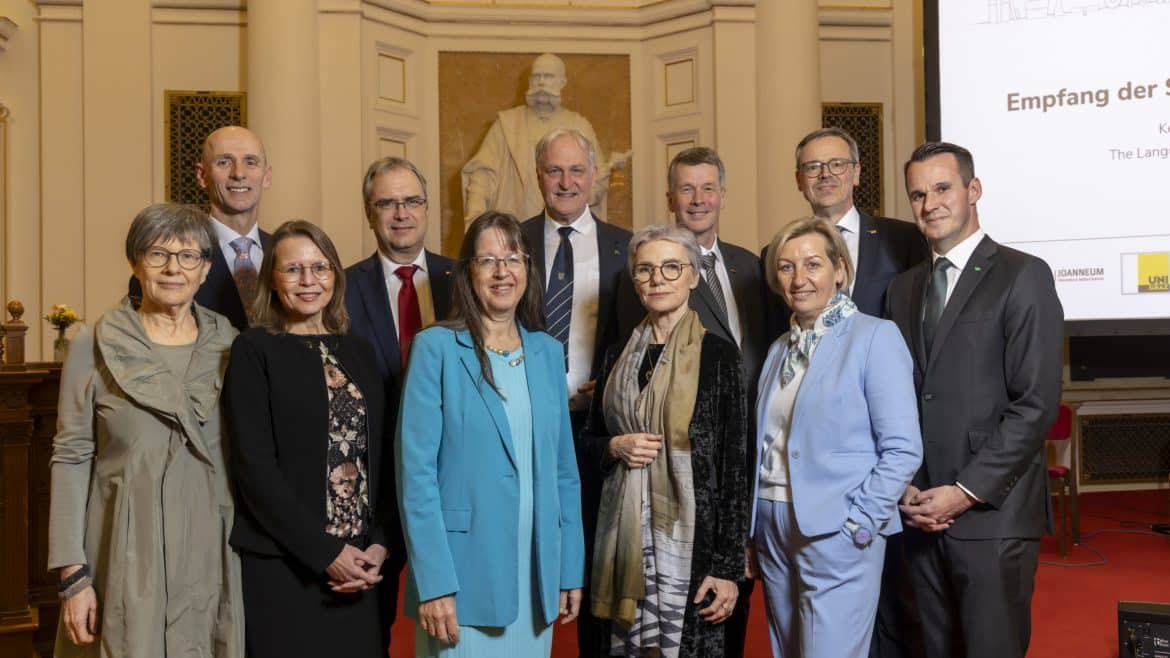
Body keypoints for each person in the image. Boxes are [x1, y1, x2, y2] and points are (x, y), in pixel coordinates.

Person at [885, 142, 1064, 658]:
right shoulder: (903, 289)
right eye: (917, 194)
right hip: (919, 512)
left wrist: (964, 492)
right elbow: (900, 397)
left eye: (942, 188)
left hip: (992, 515)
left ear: (973, 190)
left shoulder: (1023, 274)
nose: (930, 204)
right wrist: (908, 489)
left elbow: (1035, 404)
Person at [48, 203, 243, 656]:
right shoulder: (92, 343)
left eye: (189, 256)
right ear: (136, 263)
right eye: (158, 254)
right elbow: (71, 455)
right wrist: (72, 574)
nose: (173, 269)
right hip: (122, 543)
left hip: (209, 545)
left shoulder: (231, 344)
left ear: (206, 268)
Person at [396, 211, 585, 657]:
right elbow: (416, 475)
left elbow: (564, 473)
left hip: (535, 576)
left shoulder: (546, 351)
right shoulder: (435, 349)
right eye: (488, 260)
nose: (503, 272)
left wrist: (569, 567)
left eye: (514, 259)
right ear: (467, 273)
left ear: (527, 271)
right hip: (462, 578)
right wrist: (434, 582)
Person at [752, 217, 922, 658]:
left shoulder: (875, 337)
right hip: (773, 524)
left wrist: (860, 522)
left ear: (840, 270)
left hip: (837, 527)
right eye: (786, 267)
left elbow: (903, 448)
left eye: (812, 264)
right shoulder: (778, 350)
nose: (799, 278)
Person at [793, 127, 930, 657]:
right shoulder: (779, 251)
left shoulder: (902, 238)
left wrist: (908, 468)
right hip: (829, 460)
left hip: (898, 441)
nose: (824, 175)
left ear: (855, 172)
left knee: (900, 599)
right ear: (799, 179)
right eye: (812, 167)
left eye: (835, 164)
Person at [225, 220, 390, 658]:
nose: (308, 280)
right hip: (287, 568)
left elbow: (384, 458)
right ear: (272, 281)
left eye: (320, 267)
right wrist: (325, 553)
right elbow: (254, 469)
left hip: (361, 567)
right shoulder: (253, 349)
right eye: (293, 269)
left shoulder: (359, 351)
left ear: (336, 276)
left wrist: (379, 543)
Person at [583, 224, 749, 657]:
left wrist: (728, 568)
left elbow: (735, 466)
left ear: (694, 276)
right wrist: (613, 447)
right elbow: (587, 442)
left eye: (671, 268)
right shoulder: (617, 354)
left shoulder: (719, 355)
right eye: (645, 270)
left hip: (695, 551)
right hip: (621, 544)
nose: (657, 279)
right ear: (635, 281)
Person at [519, 126, 640, 656]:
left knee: (594, 556)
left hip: (598, 427)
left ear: (593, 176)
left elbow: (641, 336)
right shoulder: (512, 241)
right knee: (525, 543)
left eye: (576, 170)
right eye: (554, 170)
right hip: (526, 419)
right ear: (538, 176)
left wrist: (610, 384)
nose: (565, 181)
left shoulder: (627, 246)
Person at [344, 156, 455, 651]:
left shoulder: (465, 279)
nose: (401, 212)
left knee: (457, 622)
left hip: (452, 476)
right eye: (386, 202)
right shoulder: (340, 287)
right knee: (372, 624)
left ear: (427, 209)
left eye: (411, 200)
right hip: (372, 481)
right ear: (369, 214)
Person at [665, 146, 769, 656]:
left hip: (754, 451)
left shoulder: (752, 265)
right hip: (693, 461)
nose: (698, 199)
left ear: (723, 197)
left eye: (708, 188)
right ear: (671, 198)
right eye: (687, 189)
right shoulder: (657, 268)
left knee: (739, 599)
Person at [129, 125, 274, 329]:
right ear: (201, 175)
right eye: (224, 162)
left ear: (266, 176)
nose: (239, 173)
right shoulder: (165, 263)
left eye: (250, 162)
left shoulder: (286, 254)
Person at [461, 53, 629, 225]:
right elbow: (482, 173)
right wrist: (475, 219)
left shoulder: (580, 126)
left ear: (562, 82)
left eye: (548, 77)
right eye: (536, 76)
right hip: (516, 232)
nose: (541, 82)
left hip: (565, 230)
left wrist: (606, 172)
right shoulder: (507, 124)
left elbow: (594, 187)